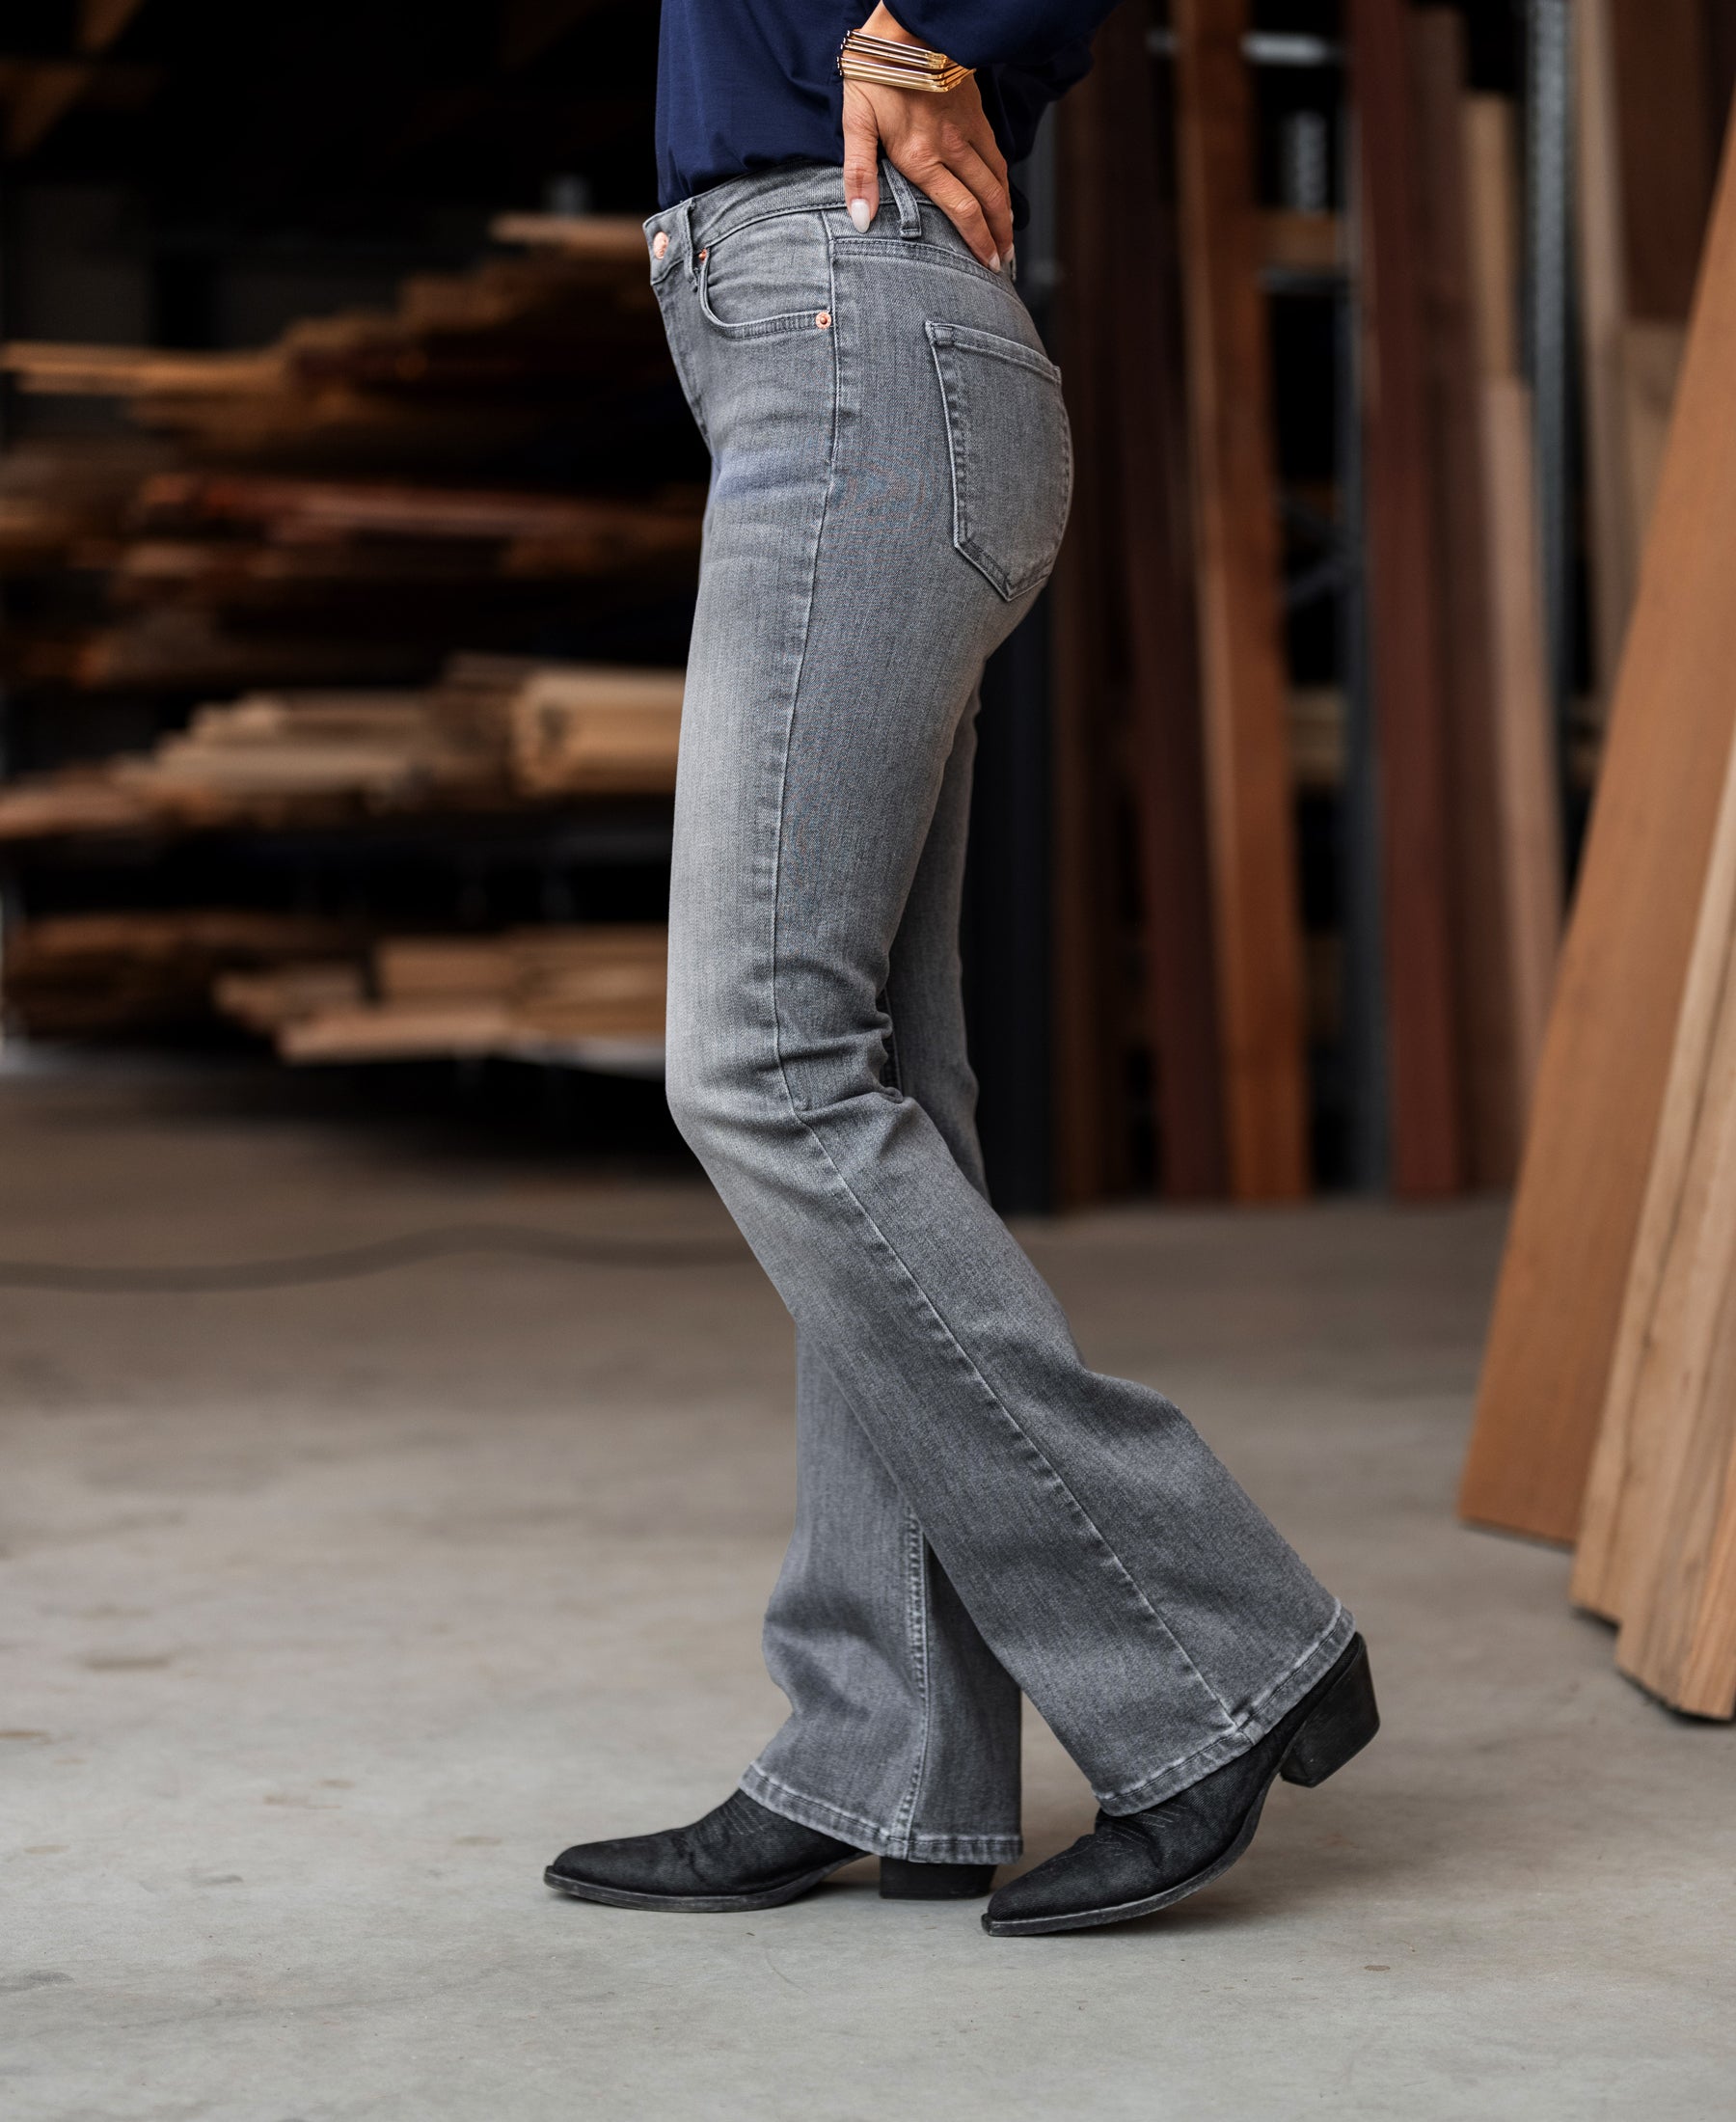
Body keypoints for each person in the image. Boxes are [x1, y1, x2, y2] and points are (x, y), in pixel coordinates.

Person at [545, 1, 1377, 1939]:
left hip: (855, 325)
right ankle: (884, 1739)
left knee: (761, 1060)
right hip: (817, 337)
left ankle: (1218, 1642)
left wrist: (939, 31)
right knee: (876, 1088)